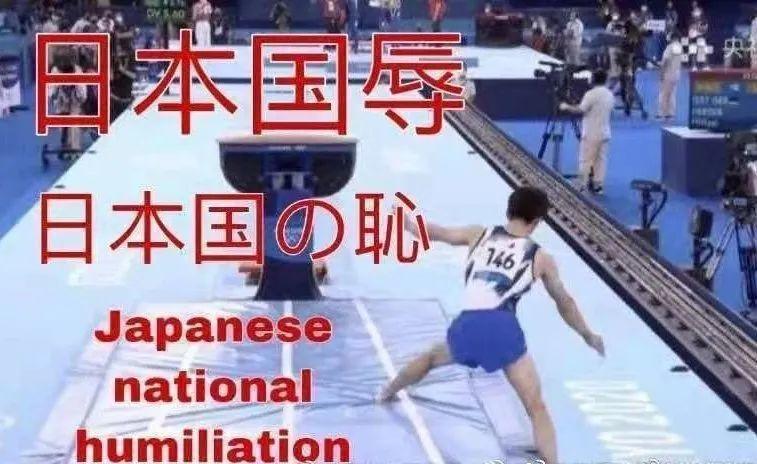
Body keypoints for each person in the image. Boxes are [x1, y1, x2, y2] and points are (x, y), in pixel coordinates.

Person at [377, 186, 605, 464]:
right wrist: (587, 334)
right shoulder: (541, 258)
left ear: (508, 211)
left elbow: (436, 233)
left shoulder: (478, 234)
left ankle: (387, 392)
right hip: (502, 329)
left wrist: (407, 224)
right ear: (537, 222)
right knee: (536, 408)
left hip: (469, 325)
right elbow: (564, 302)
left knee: (430, 358)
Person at [559, 69, 615, 194]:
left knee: (586, 160)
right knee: (600, 160)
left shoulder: (591, 94)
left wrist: (566, 107)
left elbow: (581, 109)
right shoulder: (610, 94)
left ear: (593, 79)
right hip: (605, 132)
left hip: (591, 133)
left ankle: (582, 185)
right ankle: (598, 185)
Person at [657, 32, 683, 121]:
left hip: (668, 72)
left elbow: (666, 60)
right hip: (677, 72)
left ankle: (662, 114)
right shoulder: (679, 47)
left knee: (664, 93)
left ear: (672, 38)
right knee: (672, 93)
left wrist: (662, 72)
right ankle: (671, 113)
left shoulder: (669, 47)